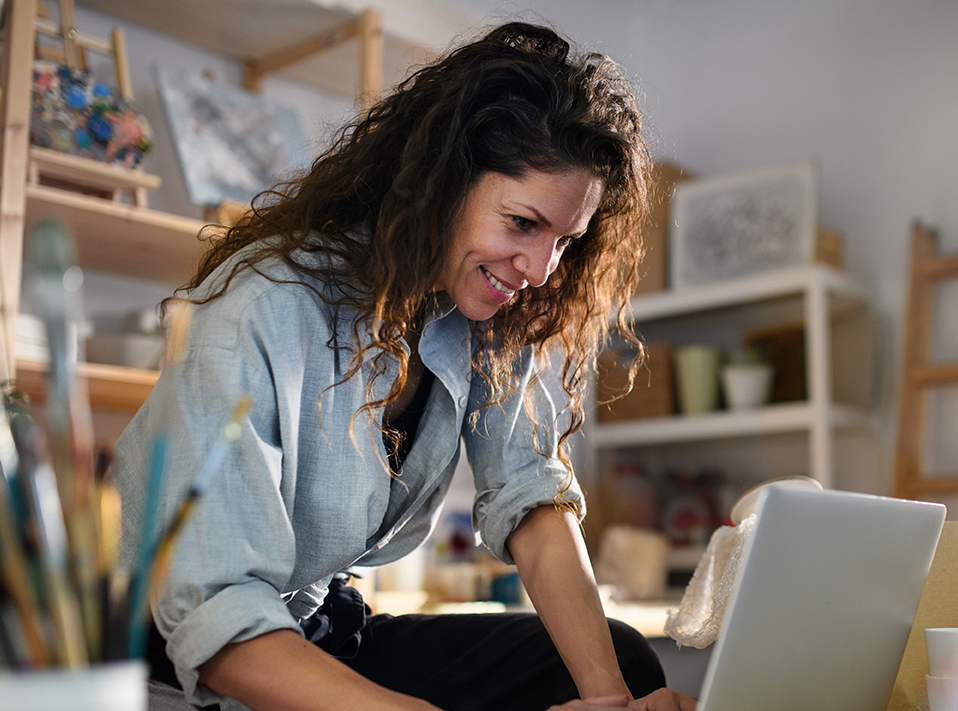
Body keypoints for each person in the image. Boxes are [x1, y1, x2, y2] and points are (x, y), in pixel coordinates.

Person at [113, 21, 697, 711]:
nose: (541, 270)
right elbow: (215, 611)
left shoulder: (482, 311)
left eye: (565, 241)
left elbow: (532, 497)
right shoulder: (266, 303)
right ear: (443, 185)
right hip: (194, 654)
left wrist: (610, 701)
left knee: (622, 659)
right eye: (522, 224)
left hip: (319, 630)